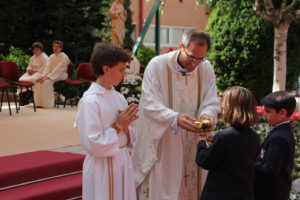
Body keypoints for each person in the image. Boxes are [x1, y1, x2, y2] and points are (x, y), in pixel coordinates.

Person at [131, 29, 221, 200]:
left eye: (200, 58)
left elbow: (210, 99)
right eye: (192, 57)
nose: (195, 63)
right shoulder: (157, 65)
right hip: (167, 140)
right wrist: (174, 118)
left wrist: (207, 116)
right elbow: (149, 103)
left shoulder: (206, 68)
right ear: (180, 47)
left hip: (194, 140)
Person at [75, 43, 139, 200]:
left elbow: (131, 135)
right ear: (106, 69)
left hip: (122, 160)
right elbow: (92, 143)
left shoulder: (119, 97)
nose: (124, 75)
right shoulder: (90, 102)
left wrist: (126, 128)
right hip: (101, 167)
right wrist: (118, 126)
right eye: (121, 70)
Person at [195, 86, 260, 200]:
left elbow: (205, 161)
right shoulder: (254, 136)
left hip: (221, 193)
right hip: (243, 193)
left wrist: (201, 143)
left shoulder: (225, 136)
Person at [254, 91, 296, 200]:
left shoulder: (279, 138)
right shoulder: (282, 131)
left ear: (282, 112)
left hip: (271, 193)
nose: (264, 115)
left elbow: (269, 171)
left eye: (268, 112)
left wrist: (249, 162)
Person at [34, 40, 70, 108]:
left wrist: (47, 77)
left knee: (46, 82)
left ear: (61, 48)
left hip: (61, 74)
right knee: (39, 81)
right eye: (54, 46)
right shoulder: (51, 56)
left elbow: (59, 69)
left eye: (57, 47)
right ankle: (39, 103)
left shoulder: (64, 57)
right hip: (52, 74)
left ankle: (48, 104)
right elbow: (48, 68)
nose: (55, 48)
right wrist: (42, 76)